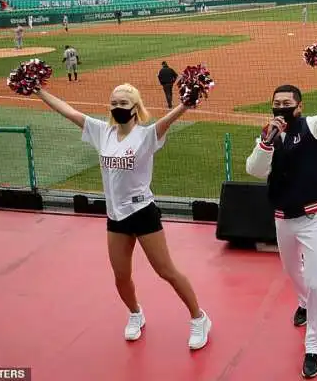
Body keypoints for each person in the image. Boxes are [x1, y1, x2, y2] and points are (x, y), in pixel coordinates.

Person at [33, 83, 212, 349]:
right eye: (114, 103)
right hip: (115, 216)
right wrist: (39, 91)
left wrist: (186, 103)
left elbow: (168, 120)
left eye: (123, 104)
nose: (118, 108)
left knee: (166, 271)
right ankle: (135, 314)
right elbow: (68, 112)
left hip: (142, 213)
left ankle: (199, 318)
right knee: (121, 275)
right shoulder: (101, 132)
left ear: (135, 108)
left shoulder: (146, 135)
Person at [245, 62, 317, 379]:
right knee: (290, 270)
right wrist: (267, 142)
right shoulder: (269, 136)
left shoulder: (313, 127)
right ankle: (303, 302)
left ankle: (314, 347)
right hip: (283, 217)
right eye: (277, 103)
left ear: (300, 106)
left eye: (287, 103)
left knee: (315, 282)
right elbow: (255, 170)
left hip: (314, 216)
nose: (281, 108)